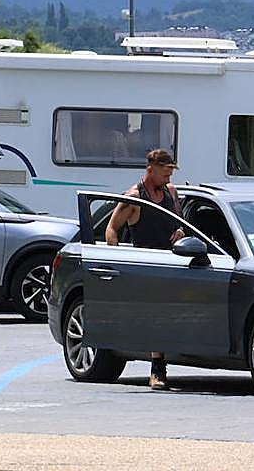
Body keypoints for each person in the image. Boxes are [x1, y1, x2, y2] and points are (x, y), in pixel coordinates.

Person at [104, 148, 185, 389]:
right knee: (156, 314)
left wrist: (181, 232)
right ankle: (157, 371)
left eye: (171, 172)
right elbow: (111, 229)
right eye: (166, 172)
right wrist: (117, 261)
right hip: (146, 264)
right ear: (151, 169)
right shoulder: (135, 197)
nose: (169, 177)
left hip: (172, 262)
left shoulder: (171, 192)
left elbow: (181, 222)